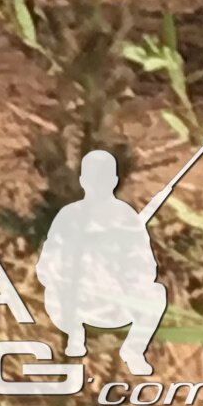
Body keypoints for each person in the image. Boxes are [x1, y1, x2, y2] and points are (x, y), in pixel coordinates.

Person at [40, 149, 169, 373]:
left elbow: (147, 267)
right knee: (55, 292)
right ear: (82, 180)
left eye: (104, 178)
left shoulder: (127, 218)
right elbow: (47, 263)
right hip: (75, 302)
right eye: (92, 178)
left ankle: (134, 350)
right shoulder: (69, 215)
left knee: (156, 294)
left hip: (115, 303)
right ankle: (74, 337)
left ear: (115, 181)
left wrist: (122, 262)